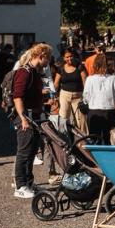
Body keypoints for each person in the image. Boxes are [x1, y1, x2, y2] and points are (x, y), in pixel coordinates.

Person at [11, 43, 52, 198]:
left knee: (32, 150)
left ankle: (28, 182)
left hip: (33, 116)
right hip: (25, 117)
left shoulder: (34, 72)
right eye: (48, 58)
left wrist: (43, 96)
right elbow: (17, 97)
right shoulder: (25, 71)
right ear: (41, 56)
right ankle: (20, 186)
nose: (49, 61)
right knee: (24, 151)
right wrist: (23, 118)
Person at [82, 54, 115, 145]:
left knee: (95, 140)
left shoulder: (89, 79)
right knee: (111, 140)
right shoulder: (114, 79)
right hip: (110, 112)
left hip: (94, 112)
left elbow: (86, 97)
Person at [54, 48, 87, 132]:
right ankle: (63, 136)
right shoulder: (61, 68)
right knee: (63, 117)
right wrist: (54, 96)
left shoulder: (80, 66)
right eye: (67, 57)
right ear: (63, 58)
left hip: (78, 96)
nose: (69, 59)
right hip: (64, 95)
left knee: (81, 120)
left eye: (71, 56)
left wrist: (86, 96)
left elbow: (85, 82)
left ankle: (83, 137)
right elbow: (56, 84)